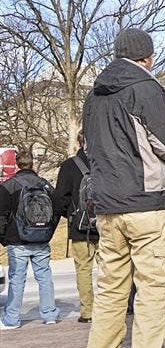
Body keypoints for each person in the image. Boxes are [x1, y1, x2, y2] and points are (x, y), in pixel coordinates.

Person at [81, 27, 165, 348]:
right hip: (144, 203)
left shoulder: (93, 96)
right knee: (153, 287)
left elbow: (89, 148)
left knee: (110, 287)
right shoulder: (145, 87)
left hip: (107, 205)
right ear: (148, 57)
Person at [0, 150, 60, 329]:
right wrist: (48, 231)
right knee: (44, 277)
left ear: (17, 164)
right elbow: (57, 208)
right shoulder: (45, 185)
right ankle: (49, 314)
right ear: (32, 163)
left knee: (17, 279)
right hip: (41, 239)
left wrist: (4, 238)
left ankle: (12, 319)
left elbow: (1, 215)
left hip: (16, 239)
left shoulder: (8, 186)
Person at [53, 131, 99, 323]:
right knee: (112, 270)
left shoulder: (69, 166)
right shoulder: (105, 162)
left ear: (79, 143)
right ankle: (113, 310)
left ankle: (88, 311)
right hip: (107, 224)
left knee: (83, 269)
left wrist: (72, 214)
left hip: (80, 228)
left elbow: (59, 199)